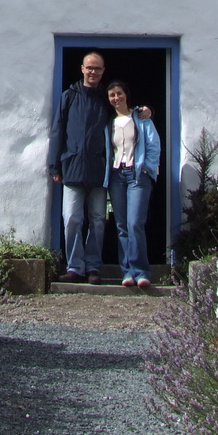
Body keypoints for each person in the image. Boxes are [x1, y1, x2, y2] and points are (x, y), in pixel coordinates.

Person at [49, 51, 109, 282]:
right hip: (72, 166)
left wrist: (146, 112)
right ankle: (75, 267)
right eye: (89, 68)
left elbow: (125, 117)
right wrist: (55, 165)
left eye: (97, 68)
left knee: (98, 220)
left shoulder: (107, 98)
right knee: (72, 218)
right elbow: (58, 131)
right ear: (82, 69)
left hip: (99, 168)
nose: (93, 72)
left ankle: (93, 267)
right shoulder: (69, 97)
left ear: (103, 71)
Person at [103, 79, 161, 288]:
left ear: (126, 95)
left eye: (119, 93)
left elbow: (154, 144)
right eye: (112, 95)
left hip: (137, 175)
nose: (116, 98)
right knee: (121, 226)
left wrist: (147, 168)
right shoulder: (109, 123)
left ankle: (141, 271)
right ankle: (127, 271)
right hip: (117, 176)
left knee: (135, 223)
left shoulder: (141, 118)